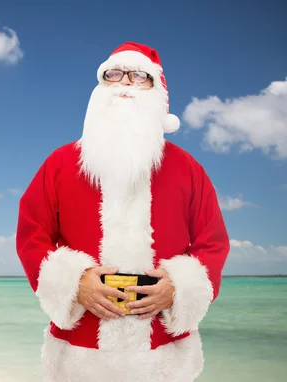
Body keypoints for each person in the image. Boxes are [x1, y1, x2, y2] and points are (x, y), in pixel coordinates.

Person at [15, 41, 230, 382]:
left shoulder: (188, 169)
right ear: (100, 89)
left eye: (140, 76)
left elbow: (213, 242)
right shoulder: (59, 164)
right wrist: (75, 282)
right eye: (114, 74)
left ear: (158, 93)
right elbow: (32, 234)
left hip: (163, 354)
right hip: (78, 354)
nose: (126, 83)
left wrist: (177, 287)